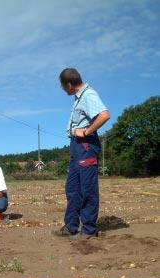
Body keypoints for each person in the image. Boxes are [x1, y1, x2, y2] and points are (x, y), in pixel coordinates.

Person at [55, 68, 110, 238]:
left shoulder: (88, 95)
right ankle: (71, 226)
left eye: (63, 86)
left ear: (70, 84)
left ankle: (88, 230)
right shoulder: (79, 98)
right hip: (77, 146)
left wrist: (86, 132)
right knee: (72, 188)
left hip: (86, 145)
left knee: (87, 188)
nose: (62, 89)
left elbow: (104, 115)